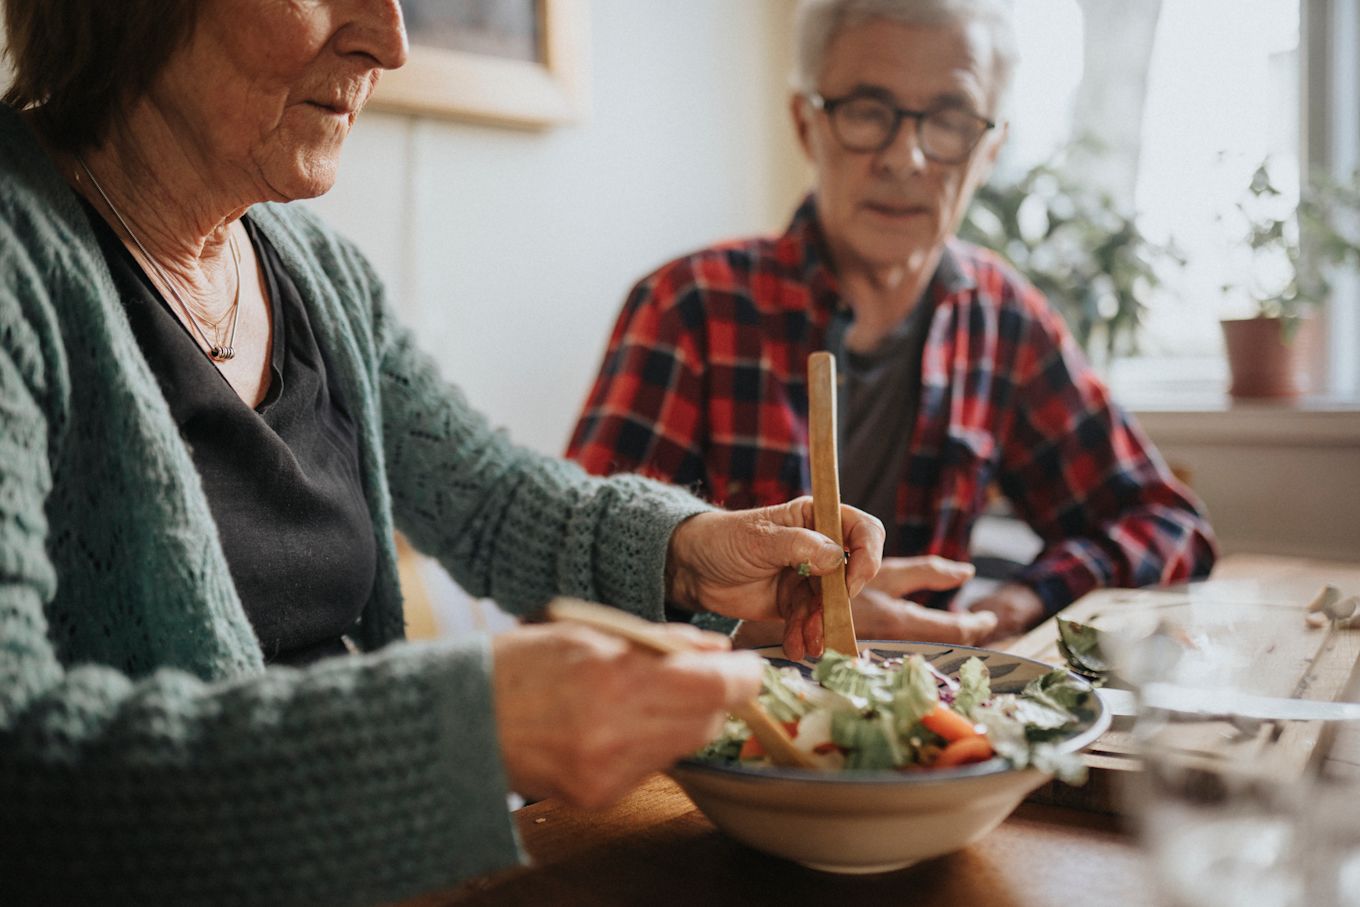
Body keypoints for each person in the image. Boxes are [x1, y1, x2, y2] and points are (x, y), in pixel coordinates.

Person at [0, 1, 887, 903]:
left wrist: (692, 554)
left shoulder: (315, 269)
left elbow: (492, 498)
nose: (390, 41)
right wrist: (464, 728)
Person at [568, 0, 1217, 645]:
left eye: (950, 120)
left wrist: (1021, 600)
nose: (905, 157)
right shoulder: (689, 307)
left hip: (936, 725)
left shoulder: (1004, 320)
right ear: (806, 124)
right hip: (718, 723)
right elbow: (568, 587)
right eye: (866, 112)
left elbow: (1166, 522)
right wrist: (780, 628)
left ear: (990, 149)